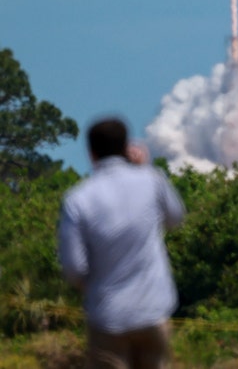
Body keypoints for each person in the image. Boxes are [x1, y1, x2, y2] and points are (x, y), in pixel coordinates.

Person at [58, 117, 185, 368]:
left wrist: (96, 290)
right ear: (126, 146)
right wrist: (144, 168)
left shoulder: (78, 199)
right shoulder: (152, 180)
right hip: (153, 311)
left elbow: (74, 267)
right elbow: (176, 218)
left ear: (91, 153)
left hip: (108, 317)